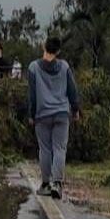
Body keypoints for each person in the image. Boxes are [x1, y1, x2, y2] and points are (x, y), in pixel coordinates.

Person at [28, 36, 81, 200]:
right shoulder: (64, 66)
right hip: (61, 113)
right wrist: (76, 109)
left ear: (44, 47)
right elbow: (73, 90)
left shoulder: (34, 67)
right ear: (58, 51)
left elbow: (32, 94)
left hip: (42, 114)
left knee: (45, 149)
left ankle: (45, 183)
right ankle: (57, 183)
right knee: (59, 148)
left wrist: (31, 114)